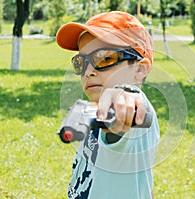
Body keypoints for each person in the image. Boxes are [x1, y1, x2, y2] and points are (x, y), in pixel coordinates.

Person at [56, 11, 160, 199]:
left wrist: (123, 99)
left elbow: (129, 98)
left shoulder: (134, 113)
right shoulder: (100, 115)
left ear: (139, 69)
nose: (88, 71)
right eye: (81, 62)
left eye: (105, 58)